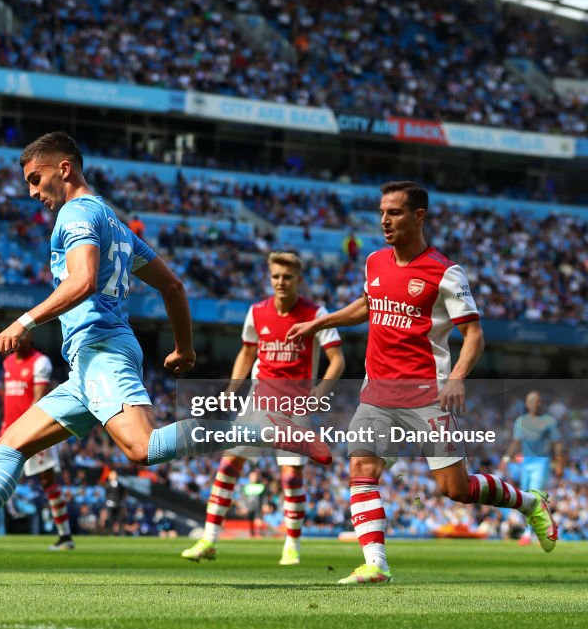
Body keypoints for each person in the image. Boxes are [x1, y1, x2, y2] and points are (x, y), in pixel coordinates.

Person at [0, 131, 328, 566]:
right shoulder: (113, 221)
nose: (31, 192)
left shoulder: (75, 214)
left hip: (103, 350)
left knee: (142, 449)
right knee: (10, 446)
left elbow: (82, 281)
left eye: (35, 178)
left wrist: (23, 322)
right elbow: (172, 286)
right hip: (87, 363)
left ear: (63, 169)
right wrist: (184, 349)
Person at [287, 181, 557, 584]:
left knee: (456, 489)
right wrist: (318, 322)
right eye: (381, 212)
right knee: (361, 465)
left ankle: (528, 502)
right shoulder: (375, 262)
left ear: (419, 216)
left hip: (427, 395)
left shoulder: (445, 272)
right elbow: (367, 304)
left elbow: (475, 335)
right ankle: (376, 564)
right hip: (376, 391)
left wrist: (457, 379)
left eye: (393, 212)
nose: (384, 220)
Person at [181, 252, 344, 566]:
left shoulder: (316, 313)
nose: (281, 282)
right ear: (270, 278)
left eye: (287, 277)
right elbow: (246, 353)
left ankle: (292, 546)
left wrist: (320, 391)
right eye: (276, 277)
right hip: (258, 399)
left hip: (295, 403)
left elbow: (338, 359)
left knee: (290, 475)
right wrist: (231, 389)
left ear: (299, 279)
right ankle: (209, 540)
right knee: (229, 466)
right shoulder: (257, 312)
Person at [0, 334, 75, 550]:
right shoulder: (7, 363)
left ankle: (65, 536)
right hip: (9, 430)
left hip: (34, 428)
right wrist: (5, 426)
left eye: (22, 338)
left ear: (30, 339)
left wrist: (27, 426)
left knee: (48, 482)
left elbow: (38, 398)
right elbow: (9, 400)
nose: (17, 341)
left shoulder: (40, 361)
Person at [502, 390, 562, 545]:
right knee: (525, 499)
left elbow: (557, 443)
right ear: (527, 404)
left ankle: (529, 534)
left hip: (541, 462)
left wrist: (560, 463)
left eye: (537, 401)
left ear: (540, 403)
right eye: (532, 401)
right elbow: (515, 442)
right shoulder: (521, 421)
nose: (535, 404)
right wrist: (506, 458)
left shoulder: (548, 421)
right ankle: (544, 526)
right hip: (526, 463)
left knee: (535, 496)